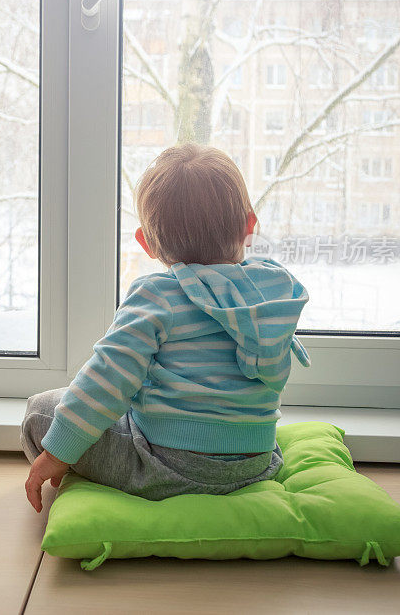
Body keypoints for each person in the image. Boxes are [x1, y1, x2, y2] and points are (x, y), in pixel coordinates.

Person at [22, 143, 311, 512]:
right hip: (255, 464)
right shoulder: (274, 292)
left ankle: (73, 467)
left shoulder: (157, 295)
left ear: (147, 243)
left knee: (39, 411)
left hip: (165, 466)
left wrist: (58, 452)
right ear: (249, 227)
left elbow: (107, 378)